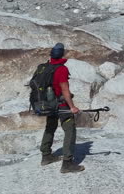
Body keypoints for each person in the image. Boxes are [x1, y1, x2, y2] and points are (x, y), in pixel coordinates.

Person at [39, 43, 85, 173]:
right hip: (61, 105)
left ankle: (46, 155)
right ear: (62, 54)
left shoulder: (46, 67)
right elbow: (64, 89)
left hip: (49, 104)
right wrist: (72, 107)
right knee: (70, 130)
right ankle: (67, 163)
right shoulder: (61, 69)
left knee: (50, 127)